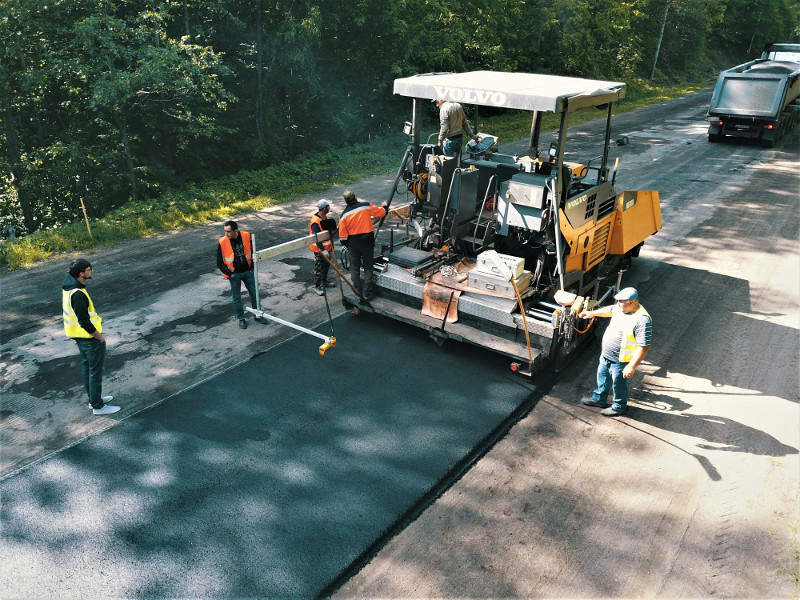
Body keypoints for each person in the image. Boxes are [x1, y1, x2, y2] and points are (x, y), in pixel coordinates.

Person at [578, 287, 652, 417]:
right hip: (606, 354)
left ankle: (619, 406)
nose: (617, 303)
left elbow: (644, 346)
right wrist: (592, 313)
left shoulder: (642, 320)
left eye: (620, 301)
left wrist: (631, 366)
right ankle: (599, 399)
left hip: (621, 360)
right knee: (603, 377)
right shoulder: (620, 308)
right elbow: (610, 310)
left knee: (619, 384)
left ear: (631, 302)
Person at [62, 258, 120, 415]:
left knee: (88, 369)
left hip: (80, 337)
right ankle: (98, 406)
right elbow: (84, 322)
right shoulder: (78, 294)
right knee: (95, 372)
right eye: (89, 269)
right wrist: (100, 337)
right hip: (89, 338)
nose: (91, 271)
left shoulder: (70, 288)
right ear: (81, 273)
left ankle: (93, 400)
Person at [216, 220, 268, 329]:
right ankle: (241, 319)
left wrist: (252, 268)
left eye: (228, 231)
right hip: (234, 275)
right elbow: (219, 262)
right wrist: (229, 274)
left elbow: (253, 253)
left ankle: (257, 315)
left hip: (247, 272)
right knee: (237, 298)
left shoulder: (245, 236)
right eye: (225, 231)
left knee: (254, 294)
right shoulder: (222, 241)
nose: (226, 234)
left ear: (236, 231)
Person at [338, 190, 387, 300]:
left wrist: (348, 245)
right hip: (367, 242)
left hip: (353, 244)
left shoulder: (344, 215)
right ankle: (367, 293)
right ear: (355, 197)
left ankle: (357, 290)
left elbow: (342, 237)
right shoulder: (365, 206)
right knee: (368, 266)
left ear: (345, 201)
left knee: (354, 268)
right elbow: (381, 213)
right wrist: (385, 207)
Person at [309, 199, 338, 296]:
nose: (330, 208)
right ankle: (317, 286)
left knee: (326, 265)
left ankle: (324, 281)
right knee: (319, 267)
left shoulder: (325, 217)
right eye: (328, 206)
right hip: (319, 249)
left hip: (328, 248)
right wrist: (322, 250)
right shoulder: (315, 221)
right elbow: (317, 238)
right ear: (325, 208)